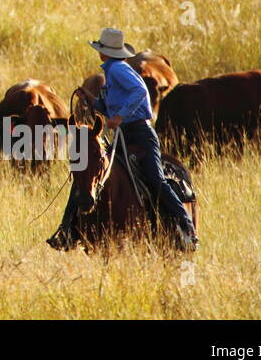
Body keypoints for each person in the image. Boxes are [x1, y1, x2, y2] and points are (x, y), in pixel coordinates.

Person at [48, 27, 199, 252]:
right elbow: (109, 105)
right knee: (89, 172)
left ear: (104, 52)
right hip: (123, 134)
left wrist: (120, 116)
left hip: (139, 133)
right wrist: (91, 101)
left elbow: (140, 92)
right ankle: (68, 228)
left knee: (156, 180)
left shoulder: (118, 69)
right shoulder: (112, 71)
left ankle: (186, 226)